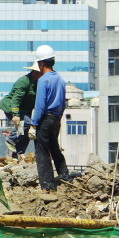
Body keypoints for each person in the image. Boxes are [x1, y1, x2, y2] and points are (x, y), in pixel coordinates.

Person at [24, 45, 72, 192]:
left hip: (44, 120)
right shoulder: (60, 79)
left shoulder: (43, 80)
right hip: (56, 119)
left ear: (41, 64)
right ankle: (64, 175)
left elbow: (40, 105)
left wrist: (34, 124)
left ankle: (47, 185)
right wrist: (57, 118)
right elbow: (63, 103)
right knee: (54, 148)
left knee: (42, 152)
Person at [0, 63, 40, 158]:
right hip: (11, 107)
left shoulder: (37, 84)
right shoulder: (24, 81)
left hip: (24, 111)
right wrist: (15, 114)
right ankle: (11, 140)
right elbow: (16, 99)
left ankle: (17, 152)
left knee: (25, 129)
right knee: (27, 123)